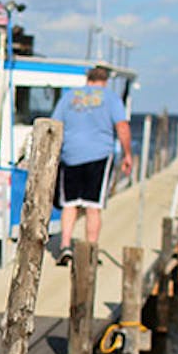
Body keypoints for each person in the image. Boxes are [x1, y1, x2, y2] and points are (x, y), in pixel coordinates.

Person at [51, 65, 133, 266]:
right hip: (99, 155)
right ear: (105, 80)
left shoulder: (69, 97)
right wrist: (127, 154)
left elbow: (54, 124)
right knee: (93, 207)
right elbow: (122, 126)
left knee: (69, 204)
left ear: (87, 79)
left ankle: (65, 246)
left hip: (70, 154)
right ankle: (90, 250)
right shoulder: (111, 98)